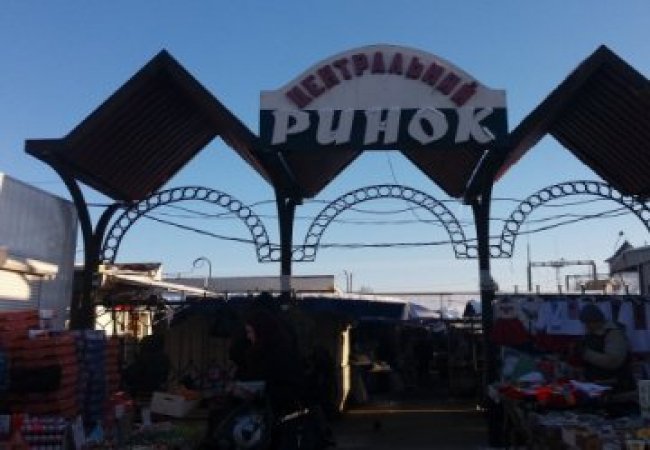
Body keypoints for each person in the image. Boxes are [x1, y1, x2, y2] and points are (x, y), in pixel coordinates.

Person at [575, 303, 635, 391]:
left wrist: (585, 353)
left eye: (588, 323)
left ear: (596, 320)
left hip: (615, 385)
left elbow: (613, 361)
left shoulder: (613, 333)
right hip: (596, 384)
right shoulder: (591, 333)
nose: (586, 326)